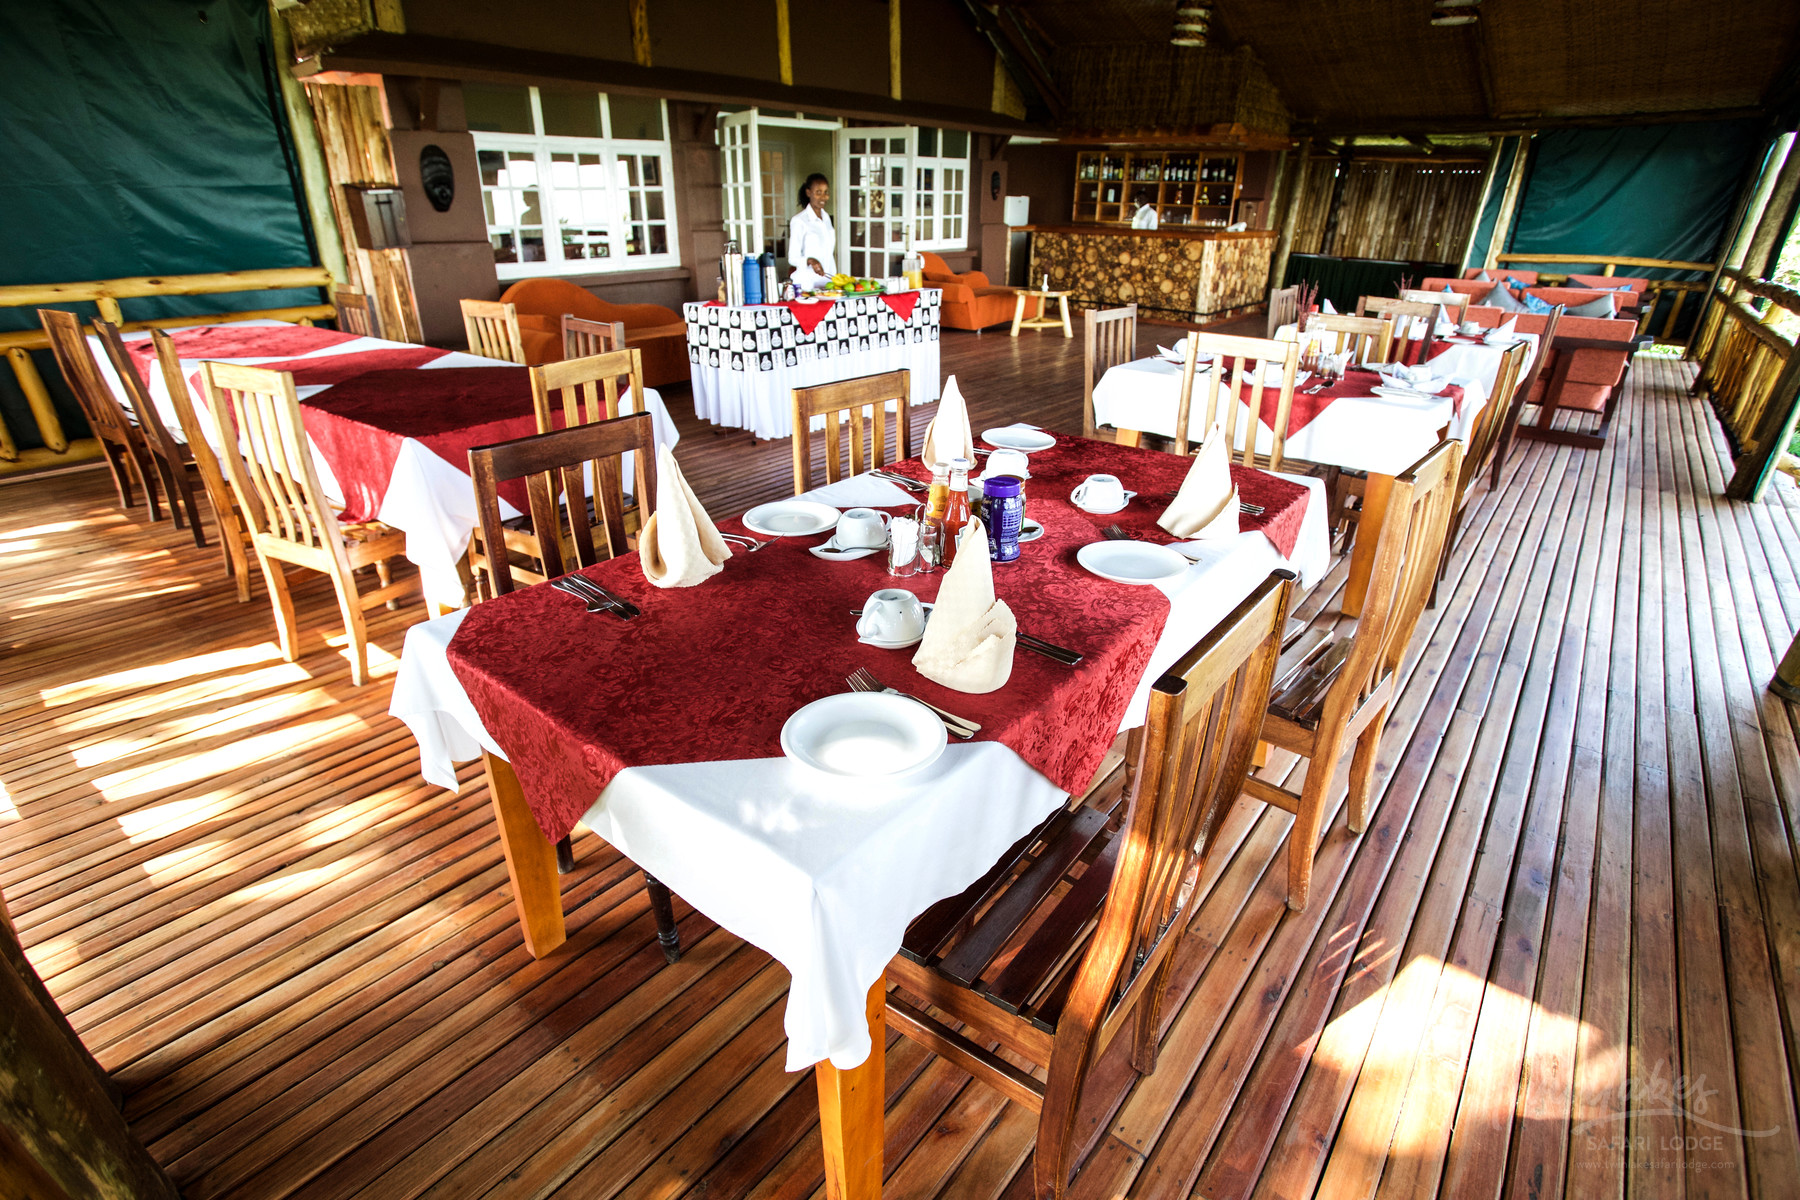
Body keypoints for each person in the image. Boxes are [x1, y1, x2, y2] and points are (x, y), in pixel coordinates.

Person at [788, 173, 836, 291]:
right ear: (808, 192)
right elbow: (792, 258)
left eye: (826, 192)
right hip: (807, 285)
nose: (823, 197)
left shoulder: (826, 218)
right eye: (818, 192)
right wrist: (810, 260)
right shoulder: (799, 221)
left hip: (828, 282)